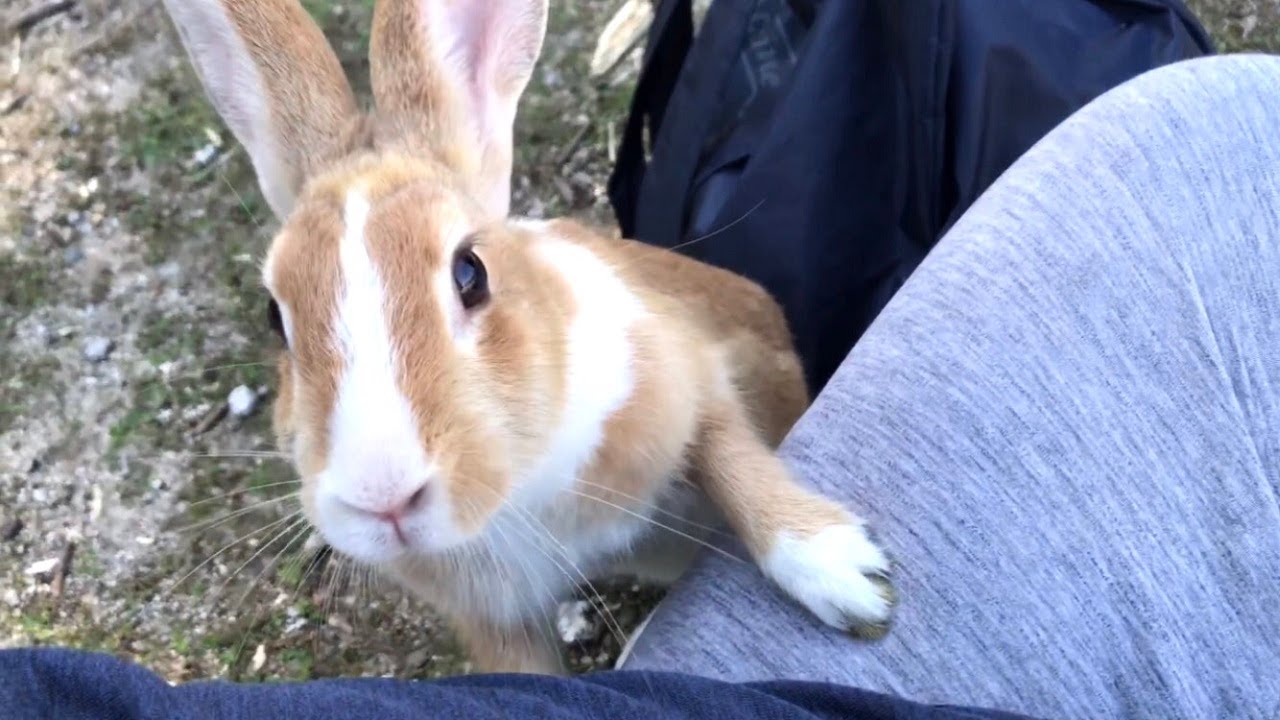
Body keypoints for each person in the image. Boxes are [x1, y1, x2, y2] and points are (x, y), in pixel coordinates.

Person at [2, 48, 1277, 720]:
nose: (376, 479)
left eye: (456, 285)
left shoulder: (595, 360)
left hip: (717, 446)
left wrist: (770, 521)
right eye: (290, 326)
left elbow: (709, 396)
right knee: (494, 593)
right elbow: (479, 593)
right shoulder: (368, 470)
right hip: (558, 524)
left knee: (735, 450)